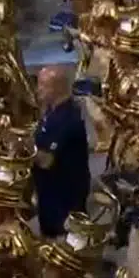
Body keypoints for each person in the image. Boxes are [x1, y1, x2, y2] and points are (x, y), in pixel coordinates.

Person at [33, 65, 91, 238]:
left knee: (63, 248)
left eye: (43, 85)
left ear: (57, 87)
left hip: (65, 198)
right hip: (49, 194)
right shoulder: (51, 112)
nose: (38, 90)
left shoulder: (68, 119)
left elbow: (46, 160)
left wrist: (23, 147)